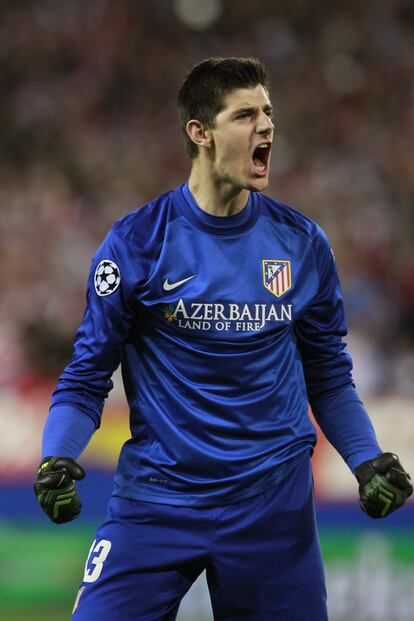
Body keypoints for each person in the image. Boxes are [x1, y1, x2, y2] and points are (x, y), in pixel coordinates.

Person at [34, 57, 412, 621]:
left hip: (272, 508)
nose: (266, 127)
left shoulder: (302, 245)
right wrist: (56, 458)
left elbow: (329, 376)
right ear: (200, 133)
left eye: (269, 113)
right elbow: (87, 376)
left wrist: (366, 459)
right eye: (245, 115)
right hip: (157, 502)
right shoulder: (137, 243)